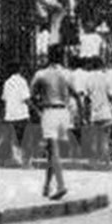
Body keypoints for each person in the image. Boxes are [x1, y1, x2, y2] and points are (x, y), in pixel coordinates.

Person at [31, 44, 80, 200]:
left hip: (50, 111)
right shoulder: (68, 74)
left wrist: (38, 109)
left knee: (53, 151)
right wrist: (80, 115)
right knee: (52, 152)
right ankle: (47, 185)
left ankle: (60, 185)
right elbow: (77, 95)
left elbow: (32, 95)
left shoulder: (41, 74)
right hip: (64, 112)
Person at [0, 61, 33, 169]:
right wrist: (35, 109)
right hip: (22, 114)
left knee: (3, 137)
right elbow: (26, 98)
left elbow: (4, 99)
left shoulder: (7, 82)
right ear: (20, 70)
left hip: (9, 114)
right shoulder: (22, 81)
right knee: (25, 139)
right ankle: (25, 163)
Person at [83, 56, 112, 164]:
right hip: (106, 111)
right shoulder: (106, 77)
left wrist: (85, 114)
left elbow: (86, 98)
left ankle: (94, 159)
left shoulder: (88, 79)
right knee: (105, 138)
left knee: (94, 137)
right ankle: (105, 159)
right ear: (101, 65)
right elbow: (111, 95)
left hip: (94, 112)